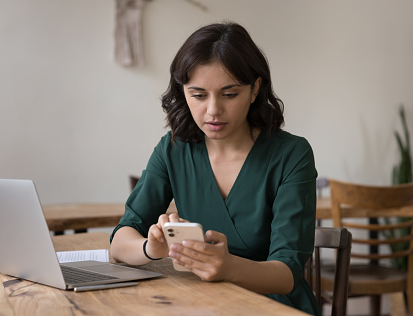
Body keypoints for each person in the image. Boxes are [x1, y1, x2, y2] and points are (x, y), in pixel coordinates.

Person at [110, 22, 320, 315]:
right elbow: (120, 241)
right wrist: (150, 248)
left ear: (255, 89)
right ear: (183, 92)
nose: (213, 110)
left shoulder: (292, 154)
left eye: (229, 94)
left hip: (272, 306)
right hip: (200, 304)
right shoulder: (173, 149)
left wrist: (229, 266)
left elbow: (287, 275)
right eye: (198, 95)